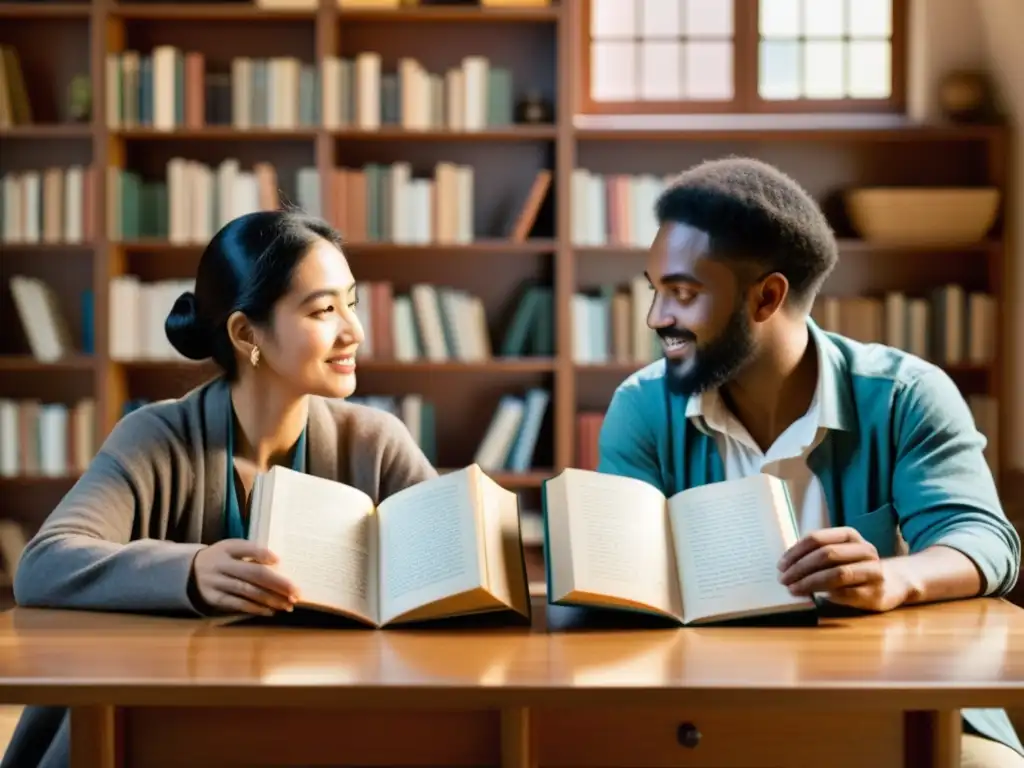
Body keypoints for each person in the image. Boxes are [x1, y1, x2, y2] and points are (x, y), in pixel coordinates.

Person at [597, 157, 1023, 767]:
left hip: (893, 698)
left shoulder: (905, 395)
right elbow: (621, 583)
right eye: (655, 289)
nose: (656, 318)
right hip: (694, 711)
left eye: (683, 293)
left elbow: (983, 538)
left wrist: (893, 579)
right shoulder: (642, 407)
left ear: (767, 297)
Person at [2, 209, 438, 768]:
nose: (352, 330)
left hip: (332, 720)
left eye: (350, 303)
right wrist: (191, 571)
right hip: (167, 726)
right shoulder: (156, 437)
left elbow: (446, 563)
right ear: (245, 333)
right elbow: (42, 564)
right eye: (325, 309)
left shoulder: (377, 441)